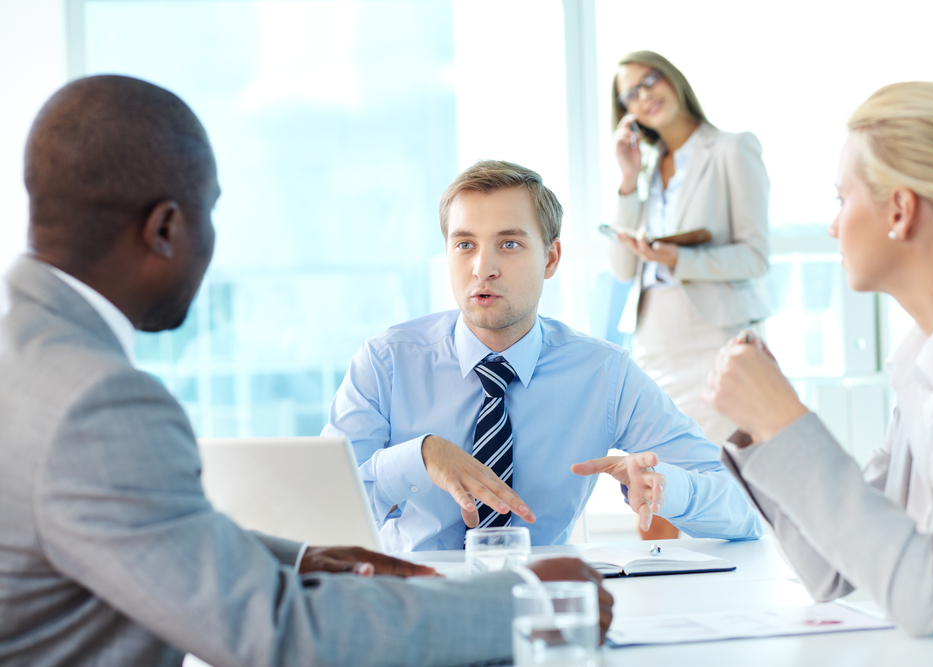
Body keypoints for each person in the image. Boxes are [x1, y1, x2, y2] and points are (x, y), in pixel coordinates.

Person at [0, 75, 612, 667]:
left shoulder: (28, 359)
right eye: (210, 214)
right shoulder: (96, 401)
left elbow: (143, 533)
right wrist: (529, 600)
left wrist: (299, 561)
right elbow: (279, 636)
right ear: (165, 228)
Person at [323, 159, 762, 552]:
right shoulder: (386, 364)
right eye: (465, 245)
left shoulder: (604, 375)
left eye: (509, 244)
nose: (483, 268)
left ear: (551, 258)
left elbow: (746, 510)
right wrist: (417, 458)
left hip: (542, 601)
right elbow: (318, 517)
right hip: (409, 602)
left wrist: (671, 490)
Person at [702, 81, 933, 655]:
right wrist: (766, 428)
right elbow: (836, 570)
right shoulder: (926, 364)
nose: (834, 226)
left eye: (841, 199)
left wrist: (788, 423)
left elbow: (928, 592)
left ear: (900, 208)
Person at [607, 50, 770, 448]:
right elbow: (622, 268)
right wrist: (628, 180)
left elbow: (755, 256)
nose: (644, 96)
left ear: (673, 78)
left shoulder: (732, 149)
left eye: (650, 80)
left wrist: (679, 259)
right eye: (630, 95)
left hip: (716, 336)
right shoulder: (644, 170)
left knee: (722, 470)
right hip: (655, 343)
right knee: (663, 472)